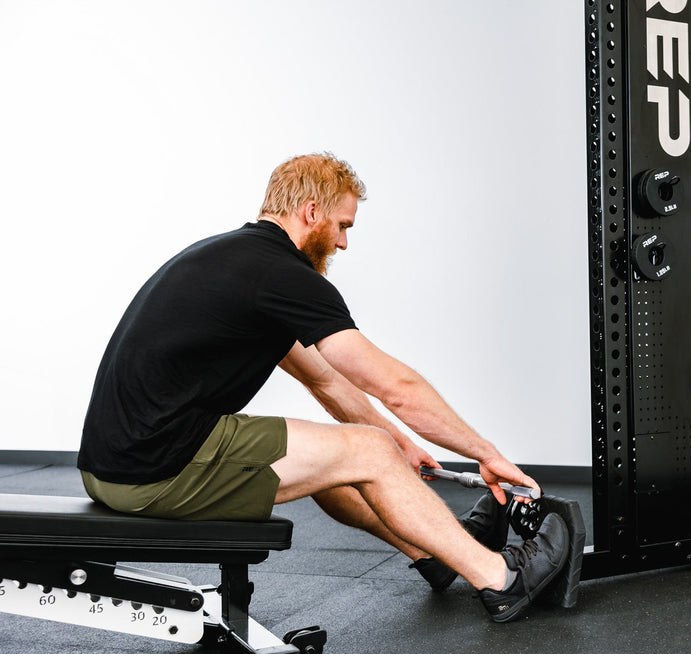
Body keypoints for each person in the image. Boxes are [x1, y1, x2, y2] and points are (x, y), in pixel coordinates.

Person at [77, 152, 569, 623]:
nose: (343, 244)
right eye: (343, 226)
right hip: (153, 469)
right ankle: (501, 579)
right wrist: (485, 452)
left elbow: (324, 377)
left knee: (344, 450)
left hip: (116, 464)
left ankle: (435, 551)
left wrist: (402, 444)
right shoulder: (283, 274)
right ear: (311, 212)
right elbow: (395, 385)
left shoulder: (236, 260)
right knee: (367, 452)